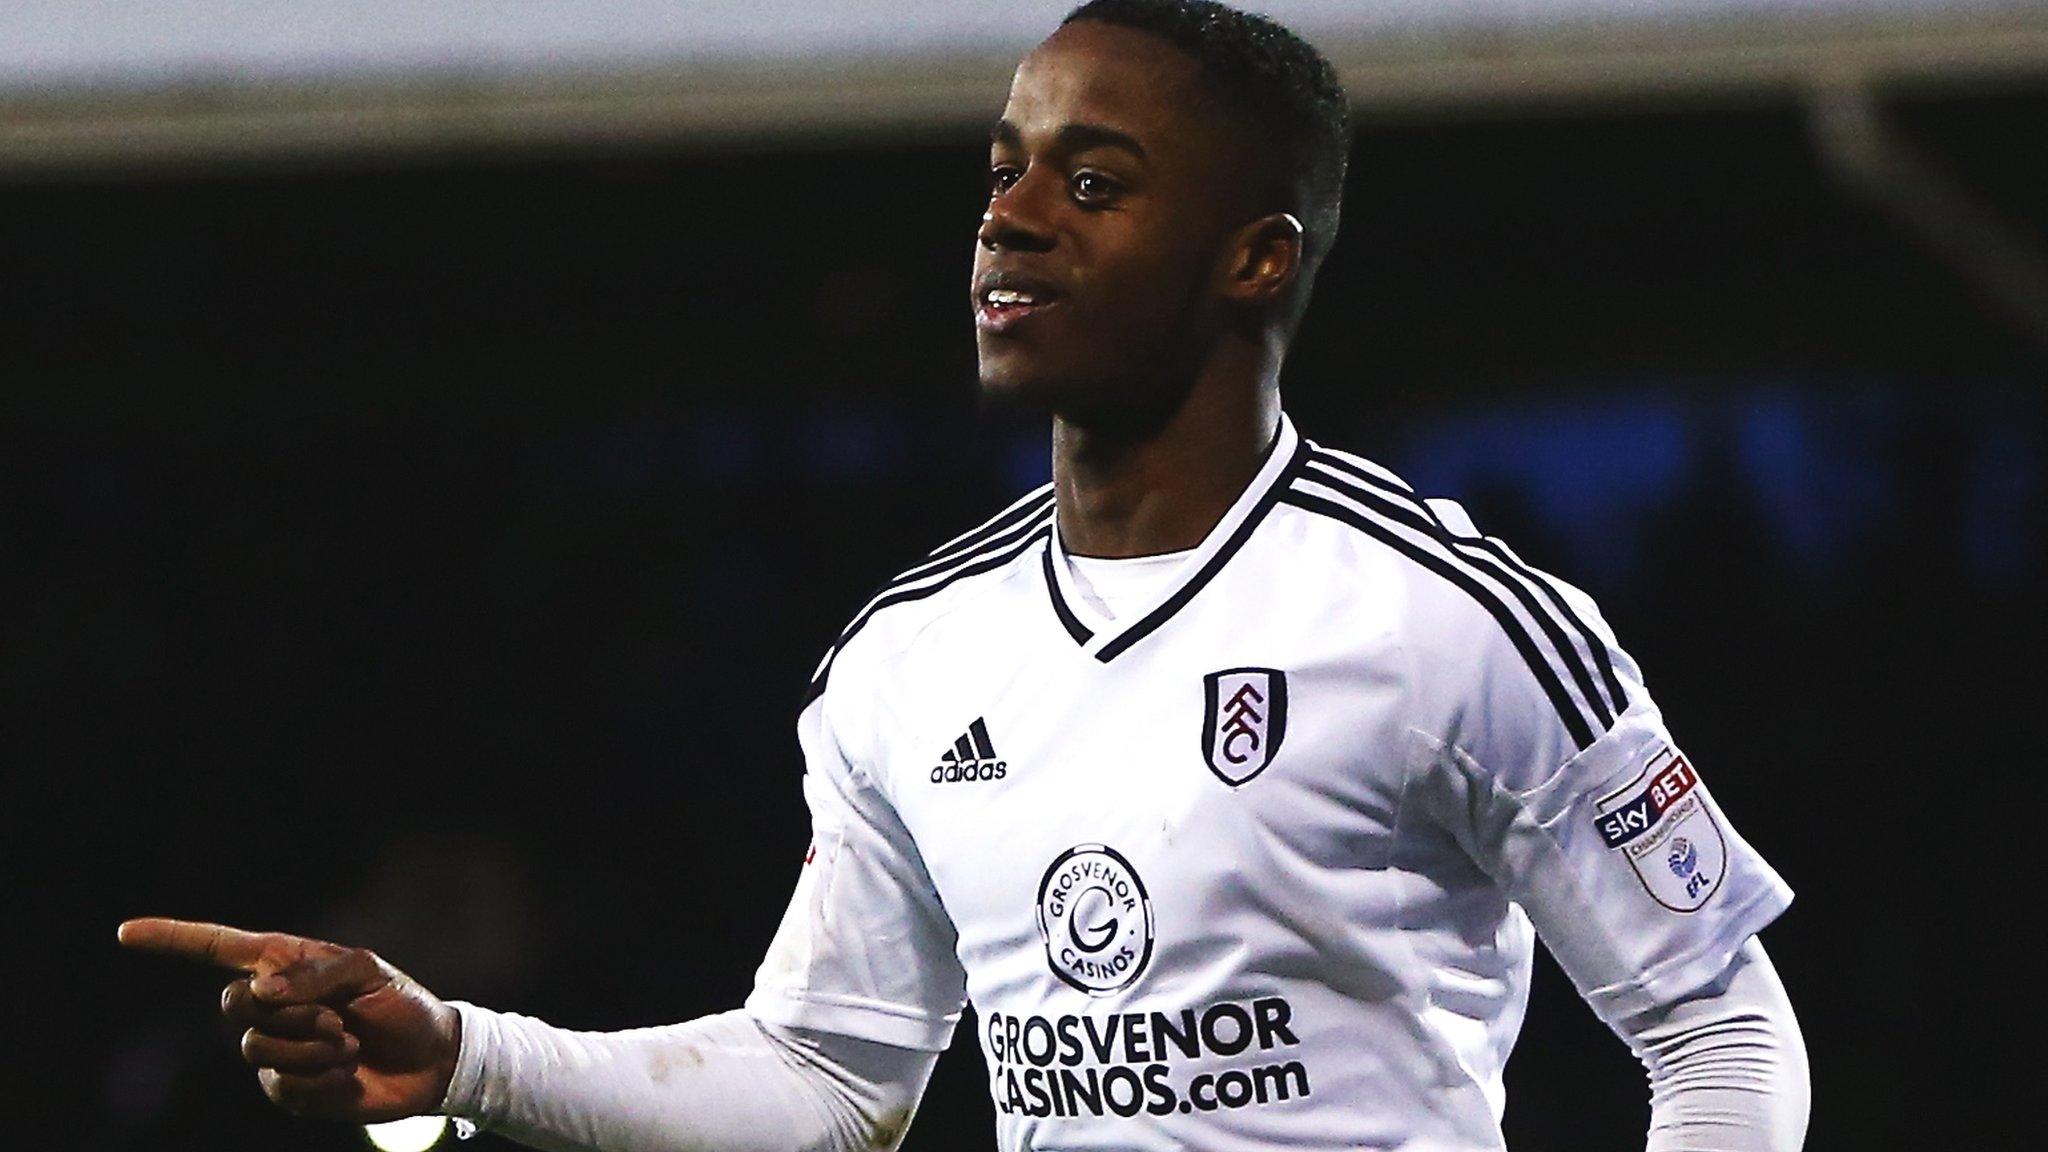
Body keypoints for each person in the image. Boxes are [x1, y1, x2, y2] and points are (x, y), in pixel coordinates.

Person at [119, 2, 1810, 1149]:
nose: (1012, 219)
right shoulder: (909, 658)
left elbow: (1723, 1035)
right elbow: (826, 1075)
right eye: (1003, 168)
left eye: (1095, 184)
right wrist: (465, 1051)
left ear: (1255, 257)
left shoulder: (1447, 624)